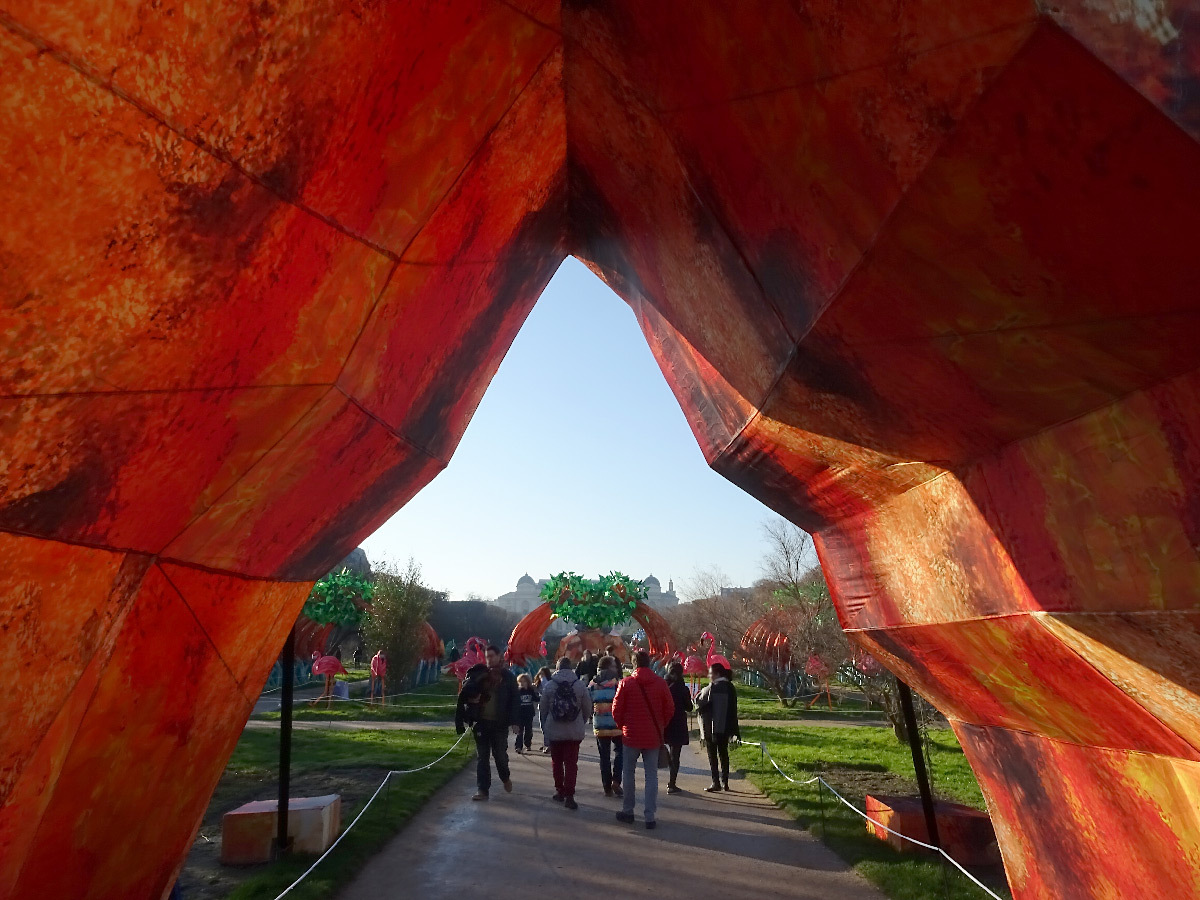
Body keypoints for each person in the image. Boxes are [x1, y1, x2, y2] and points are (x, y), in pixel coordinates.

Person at [611, 650, 673, 829]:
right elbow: (669, 708)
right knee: (651, 775)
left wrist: (622, 725)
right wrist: (660, 725)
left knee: (628, 773)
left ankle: (628, 811)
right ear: (649, 663)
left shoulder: (626, 683)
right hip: (653, 735)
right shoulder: (660, 683)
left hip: (631, 735)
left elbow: (616, 710)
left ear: (634, 663)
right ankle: (649, 816)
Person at [462, 645, 521, 801]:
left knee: (500, 756)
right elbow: (467, 692)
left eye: (492, 656)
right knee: (482, 757)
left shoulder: (508, 677)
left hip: (499, 724)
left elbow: (515, 700)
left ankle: (505, 777)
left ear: (499, 656)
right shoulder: (480, 675)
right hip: (481, 723)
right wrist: (471, 701)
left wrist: (515, 721)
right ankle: (482, 789)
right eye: (487, 657)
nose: (489, 660)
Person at [539, 657, 592, 810]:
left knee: (556, 763)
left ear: (557, 668)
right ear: (571, 668)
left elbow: (543, 709)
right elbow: (587, 707)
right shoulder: (580, 685)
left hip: (554, 730)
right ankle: (570, 795)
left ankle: (559, 791)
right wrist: (580, 721)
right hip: (573, 731)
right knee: (571, 764)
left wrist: (545, 727)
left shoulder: (549, 685)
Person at [696, 662, 740, 792]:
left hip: (711, 727)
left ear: (717, 674)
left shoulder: (712, 688)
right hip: (726, 726)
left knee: (712, 755)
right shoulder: (730, 687)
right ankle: (725, 781)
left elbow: (700, 703)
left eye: (710, 673)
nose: (709, 675)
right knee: (723, 753)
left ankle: (715, 782)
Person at [589, 655, 624, 797]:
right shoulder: (618, 684)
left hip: (600, 724)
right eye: (614, 665)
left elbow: (588, 700)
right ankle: (616, 780)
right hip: (617, 724)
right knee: (620, 753)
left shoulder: (593, 683)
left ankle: (606, 786)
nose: (616, 668)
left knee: (604, 756)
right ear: (609, 667)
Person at [664, 661, 694, 794]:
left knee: (670, 751)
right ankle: (672, 782)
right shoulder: (683, 688)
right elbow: (689, 707)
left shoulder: (666, 687)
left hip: (667, 722)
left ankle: (669, 777)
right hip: (679, 723)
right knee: (676, 754)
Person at [515, 673, 539, 753]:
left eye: (524, 681)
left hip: (529, 713)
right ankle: (518, 746)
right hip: (520, 714)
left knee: (528, 730)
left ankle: (528, 744)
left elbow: (536, 699)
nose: (522, 683)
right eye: (520, 682)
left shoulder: (531, 690)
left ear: (527, 682)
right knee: (520, 730)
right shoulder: (518, 691)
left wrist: (536, 691)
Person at [534, 665, 554, 752]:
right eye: (540, 674)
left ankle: (548, 744)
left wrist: (543, 679)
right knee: (542, 725)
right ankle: (547, 742)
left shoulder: (548, 682)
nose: (541, 676)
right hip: (541, 706)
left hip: (549, 706)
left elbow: (546, 689)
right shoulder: (538, 684)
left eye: (543, 674)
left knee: (547, 725)